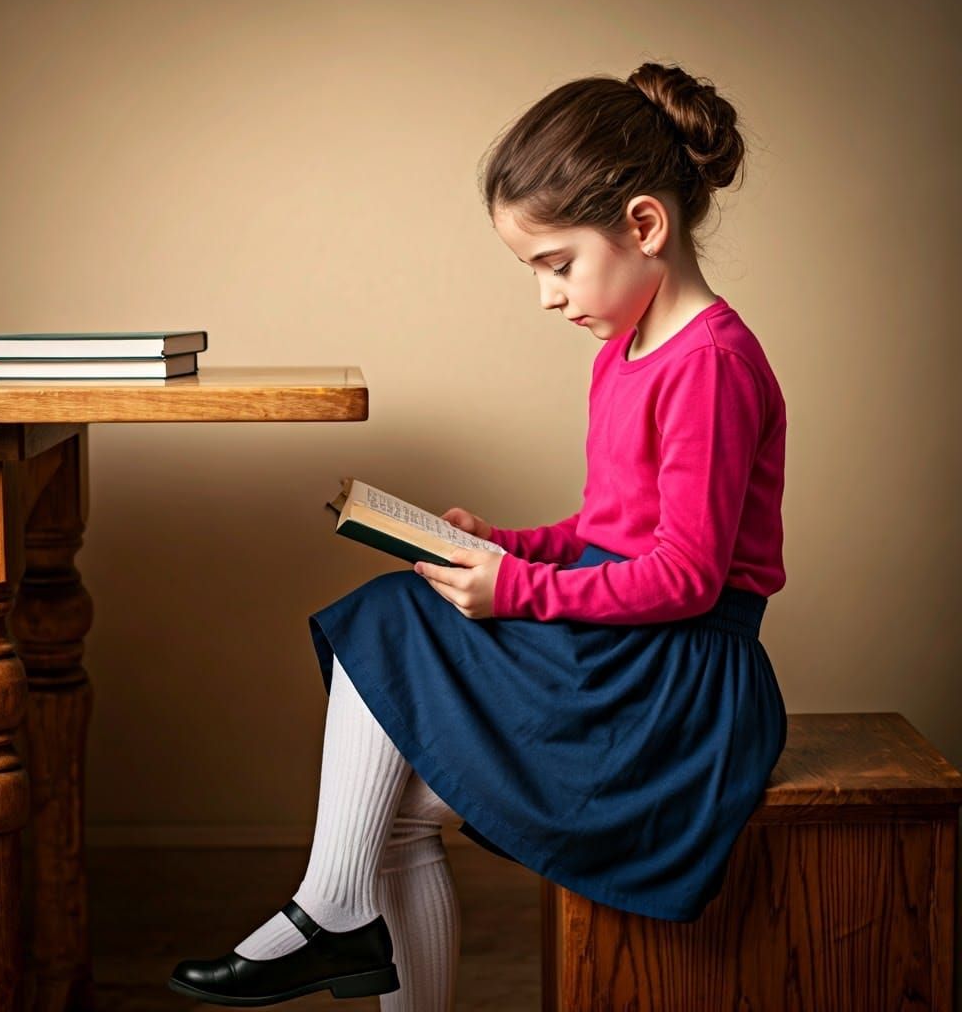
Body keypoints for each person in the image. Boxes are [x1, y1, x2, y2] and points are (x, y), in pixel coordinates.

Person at [168, 58, 789, 1010]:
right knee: (403, 816)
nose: (548, 295)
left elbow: (688, 576)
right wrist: (510, 543)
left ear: (645, 227)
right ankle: (341, 909)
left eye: (556, 263)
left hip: (677, 678)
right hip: (624, 646)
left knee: (391, 616)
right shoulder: (627, 348)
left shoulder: (709, 365)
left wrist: (517, 590)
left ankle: (328, 908)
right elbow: (614, 527)